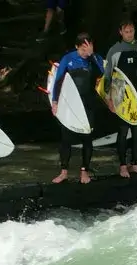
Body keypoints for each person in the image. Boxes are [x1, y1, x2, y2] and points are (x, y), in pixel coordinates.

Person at [103, 19, 137, 178]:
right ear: (120, 32)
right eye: (126, 31)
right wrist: (109, 99)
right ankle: (122, 166)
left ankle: (135, 164)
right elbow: (107, 77)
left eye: (132, 31)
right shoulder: (115, 50)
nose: (129, 34)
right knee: (123, 132)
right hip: (121, 98)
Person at [51, 32, 104, 184]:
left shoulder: (95, 59)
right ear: (76, 47)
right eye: (83, 49)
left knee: (87, 137)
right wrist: (55, 101)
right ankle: (64, 171)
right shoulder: (68, 58)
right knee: (65, 139)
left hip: (88, 103)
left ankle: (84, 171)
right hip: (69, 104)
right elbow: (59, 80)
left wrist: (92, 56)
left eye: (89, 47)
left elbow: (103, 73)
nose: (85, 52)